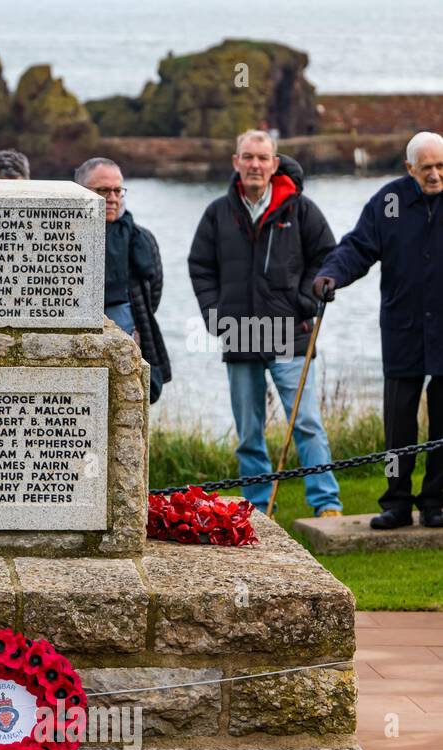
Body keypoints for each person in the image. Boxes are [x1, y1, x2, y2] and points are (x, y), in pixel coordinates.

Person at [188, 130, 342, 517]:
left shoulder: (300, 210)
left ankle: (326, 503)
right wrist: (214, 317)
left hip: (292, 336)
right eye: (248, 157)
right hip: (239, 336)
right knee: (249, 434)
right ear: (236, 162)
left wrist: (304, 302)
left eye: (262, 157)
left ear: (274, 164)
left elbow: (327, 258)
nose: (255, 164)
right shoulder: (217, 213)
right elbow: (200, 267)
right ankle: (257, 508)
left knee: (306, 423)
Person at [313, 131, 443, 529]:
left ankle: (437, 502)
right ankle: (396, 503)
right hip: (403, 330)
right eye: (427, 168)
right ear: (409, 169)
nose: (436, 175)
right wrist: (331, 274)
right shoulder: (388, 202)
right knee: (397, 426)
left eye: (442, 166)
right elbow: (358, 247)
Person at [75, 157, 172, 402]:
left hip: (130, 333)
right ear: (81, 190)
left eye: (117, 190)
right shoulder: (67, 235)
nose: (113, 198)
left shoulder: (141, 238)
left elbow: (154, 290)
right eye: (103, 190)